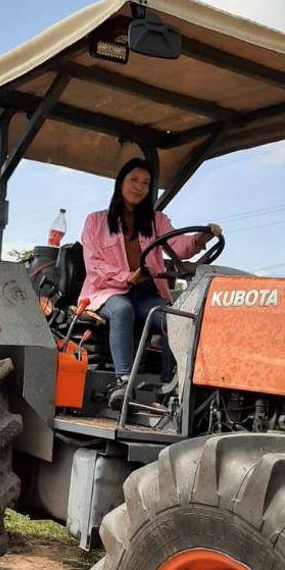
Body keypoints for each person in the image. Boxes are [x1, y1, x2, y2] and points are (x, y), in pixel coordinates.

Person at [80, 157, 221, 404]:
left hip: (145, 292)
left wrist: (201, 238)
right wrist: (127, 276)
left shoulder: (157, 220)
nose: (139, 187)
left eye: (145, 183)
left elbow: (178, 246)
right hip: (107, 291)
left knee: (174, 318)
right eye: (133, 180)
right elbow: (94, 265)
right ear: (120, 183)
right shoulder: (96, 221)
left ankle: (172, 385)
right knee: (123, 310)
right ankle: (123, 381)